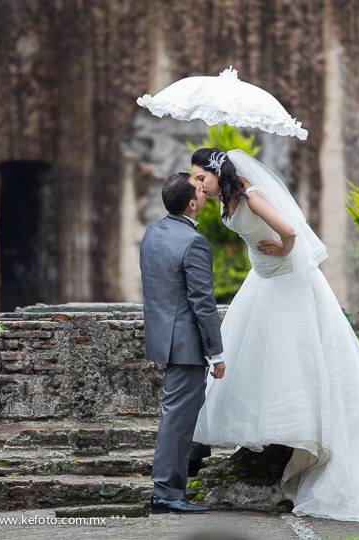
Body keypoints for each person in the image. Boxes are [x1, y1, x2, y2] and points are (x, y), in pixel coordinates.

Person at [190, 147, 359, 524]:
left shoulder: (251, 195)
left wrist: (281, 249)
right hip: (262, 283)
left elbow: (289, 231)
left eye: (202, 177)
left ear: (219, 172)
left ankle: (302, 438)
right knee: (260, 359)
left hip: (285, 282)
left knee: (293, 358)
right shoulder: (228, 201)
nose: (199, 184)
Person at [139, 172, 226, 514]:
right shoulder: (194, 242)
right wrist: (216, 353)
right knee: (177, 417)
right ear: (192, 204)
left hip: (164, 335)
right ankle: (167, 493)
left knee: (180, 414)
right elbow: (202, 302)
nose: (204, 192)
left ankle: (188, 466)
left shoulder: (153, 232)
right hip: (187, 342)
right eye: (199, 190)